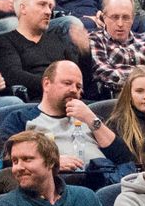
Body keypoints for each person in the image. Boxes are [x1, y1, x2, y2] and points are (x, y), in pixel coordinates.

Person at [24, 58, 130, 188]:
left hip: (105, 181)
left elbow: (123, 158)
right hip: (62, 186)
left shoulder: (89, 117)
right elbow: (8, 164)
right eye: (67, 83)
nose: (74, 90)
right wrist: (50, 163)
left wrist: (91, 119)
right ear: (46, 84)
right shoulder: (22, 118)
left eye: (78, 86)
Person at [0, 0, 84, 99]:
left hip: (69, 101)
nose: (49, 12)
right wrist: (56, 87)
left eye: (50, 6)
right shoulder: (5, 41)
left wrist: (85, 51)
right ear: (23, 8)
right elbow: (14, 76)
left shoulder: (58, 40)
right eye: (42, 5)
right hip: (34, 103)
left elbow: (80, 78)